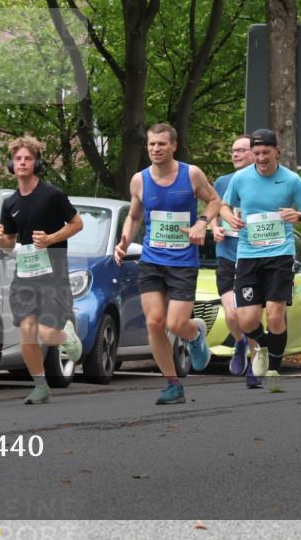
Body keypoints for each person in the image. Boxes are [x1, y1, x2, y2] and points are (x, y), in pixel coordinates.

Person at [114, 123, 221, 405]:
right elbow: (134, 216)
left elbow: (214, 201)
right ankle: (173, 384)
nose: (155, 149)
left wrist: (201, 223)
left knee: (176, 324)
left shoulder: (191, 174)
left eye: (161, 144)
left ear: (174, 146)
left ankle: (195, 332)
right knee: (155, 323)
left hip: (183, 262)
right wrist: (124, 239)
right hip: (152, 260)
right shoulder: (139, 180)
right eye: (151, 144)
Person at [219, 129, 301, 389]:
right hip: (249, 255)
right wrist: (229, 217)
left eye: (266, 152)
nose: (261, 158)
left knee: (275, 316)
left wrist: (297, 216)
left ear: (277, 151)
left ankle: (273, 368)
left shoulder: (291, 180)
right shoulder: (241, 179)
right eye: (257, 153)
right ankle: (262, 346)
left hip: (280, 254)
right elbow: (223, 205)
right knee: (246, 320)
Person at [0, 136, 84, 405]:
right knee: (28, 332)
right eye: (18, 159)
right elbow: (10, 242)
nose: (22, 163)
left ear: (37, 163)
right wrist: (1, 240)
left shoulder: (52, 194)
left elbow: (77, 224)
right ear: (12, 164)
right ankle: (40, 385)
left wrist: (50, 239)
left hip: (52, 273)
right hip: (24, 275)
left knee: (46, 334)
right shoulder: (9, 203)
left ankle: (67, 333)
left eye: (28, 159)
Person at [211, 134, 262, 389]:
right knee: (232, 314)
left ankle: (254, 363)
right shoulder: (222, 182)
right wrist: (214, 228)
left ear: (254, 153)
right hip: (227, 256)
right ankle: (239, 342)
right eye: (233, 151)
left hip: (253, 258)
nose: (235, 154)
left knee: (249, 315)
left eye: (241, 150)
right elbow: (213, 208)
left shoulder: (264, 182)